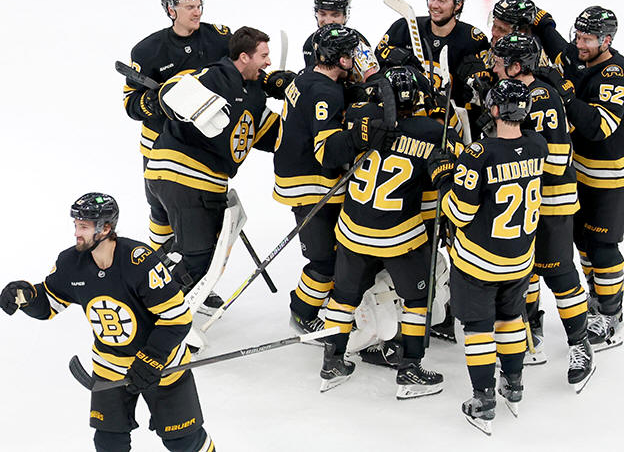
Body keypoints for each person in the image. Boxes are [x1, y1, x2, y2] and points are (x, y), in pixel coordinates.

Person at [0, 193, 215, 452]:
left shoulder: (139, 261)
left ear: (105, 228)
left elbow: (177, 318)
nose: (76, 233)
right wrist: (27, 297)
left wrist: (152, 358)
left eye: (84, 226)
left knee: (185, 441)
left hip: (164, 367)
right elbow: (49, 303)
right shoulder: (71, 263)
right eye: (76, 225)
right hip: (110, 368)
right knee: (109, 443)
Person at [320, 66, 459, 398]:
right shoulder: (432, 132)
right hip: (399, 235)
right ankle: (410, 368)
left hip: (353, 228)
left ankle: (332, 362)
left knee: (343, 297)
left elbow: (331, 154)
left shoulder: (361, 120)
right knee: (417, 299)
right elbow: (451, 171)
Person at [426, 79, 548, 434]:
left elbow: (460, 213)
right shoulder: (537, 145)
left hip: (479, 261)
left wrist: (444, 179)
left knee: (479, 327)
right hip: (520, 258)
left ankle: (483, 398)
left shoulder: (478, 154)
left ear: (494, 109)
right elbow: (512, 155)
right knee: (510, 319)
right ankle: (514, 384)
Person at [145, 26, 281, 311]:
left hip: (195, 181)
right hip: (183, 177)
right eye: (263, 56)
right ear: (244, 57)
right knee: (196, 258)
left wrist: (298, 98)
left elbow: (275, 136)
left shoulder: (253, 94)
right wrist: (192, 101)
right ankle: (158, 315)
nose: (269, 62)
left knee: (190, 253)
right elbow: (171, 92)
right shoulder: (216, 76)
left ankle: (152, 293)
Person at [531, 4, 624, 351]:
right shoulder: (577, 55)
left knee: (602, 246)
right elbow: (555, 45)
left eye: (588, 39)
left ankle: (610, 315)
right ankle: (597, 299)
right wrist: (540, 19)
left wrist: (564, 92)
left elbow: (599, 127)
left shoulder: (616, 74)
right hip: (580, 170)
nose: (580, 44)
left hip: (612, 174)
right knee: (582, 240)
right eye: (577, 36)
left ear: (606, 41)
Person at [273, 24, 394, 334]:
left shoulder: (307, 78)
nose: (357, 59)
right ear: (341, 60)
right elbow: (326, 152)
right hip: (310, 185)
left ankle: (332, 306)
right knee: (325, 262)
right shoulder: (325, 92)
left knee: (337, 255)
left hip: (296, 176)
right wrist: (360, 135)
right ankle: (302, 313)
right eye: (352, 55)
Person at [491, 32, 594, 391]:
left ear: (517, 66)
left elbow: (556, 157)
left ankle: (580, 343)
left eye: (499, 61)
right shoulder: (512, 92)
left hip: (551, 199)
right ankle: (530, 328)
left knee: (558, 272)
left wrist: (512, 152)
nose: (494, 66)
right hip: (526, 199)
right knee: (525, 270)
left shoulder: (542, 97)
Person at [124, 0, 231, 252]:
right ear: (171, 10)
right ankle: (158, 264)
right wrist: (155, 101)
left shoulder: (219, 38)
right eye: (189, 7)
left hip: (205, 142)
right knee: (161, 211)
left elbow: (238, 72)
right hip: (159, 146)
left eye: (199, 5)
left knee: (204, 213)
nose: (197, 12)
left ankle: (197, 265)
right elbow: (130, 104)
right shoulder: (147, 51)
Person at [376, 0, 492, 133]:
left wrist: (475, 87)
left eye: (442, 1)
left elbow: (485, 92)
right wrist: (391, 57)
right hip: (404, 117)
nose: (434, 5)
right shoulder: (404, 28)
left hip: (449, 124)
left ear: (458, 4)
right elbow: (374, 66)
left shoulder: (473, 40)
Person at [302, 0, 378, 83]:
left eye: (335, 15)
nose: (328, 21)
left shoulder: (355, 43)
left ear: (345, 15)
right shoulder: (310, 43)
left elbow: (373, 81)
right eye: (323, 14)